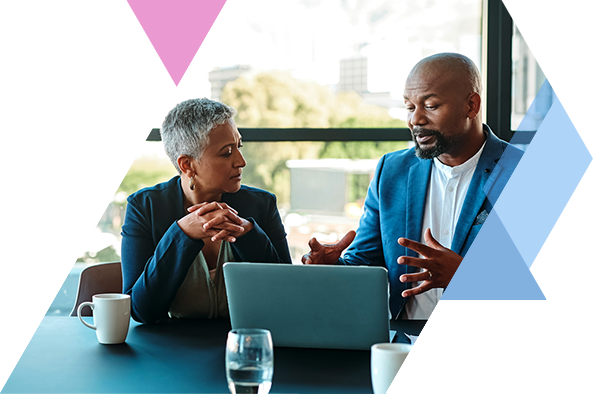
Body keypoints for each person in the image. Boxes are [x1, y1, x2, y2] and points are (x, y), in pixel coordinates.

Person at [302, 53, 524, 322]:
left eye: (430, 106)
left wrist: (465, 278)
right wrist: (332, 267)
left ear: (471, 106)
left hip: (489, 352)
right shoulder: (391, 171)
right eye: (409, 107)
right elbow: (366, 262)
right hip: (404, 350)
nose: (415, 120)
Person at [121, 98, 291, 324]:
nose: (241, 162)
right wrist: (182, 234)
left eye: (238, 147)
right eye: (226, 153)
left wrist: (249, 233)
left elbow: (286, 294)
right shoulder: (144, 208)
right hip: (170, 350)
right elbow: (141, 310)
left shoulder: (263, 204)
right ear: (187, 165)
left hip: (245, 343)